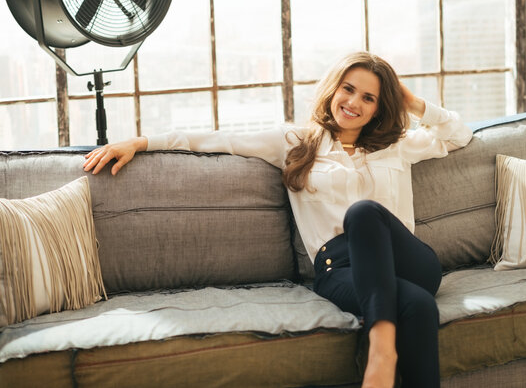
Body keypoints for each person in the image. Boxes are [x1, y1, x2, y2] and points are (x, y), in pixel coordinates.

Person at [83, 51, 473, 388]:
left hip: (408, 260)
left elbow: (459, 135)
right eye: (349, 89)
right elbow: (215, 139)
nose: (354, 102)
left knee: (365, 212)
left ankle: (380, 356)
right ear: (334, 89)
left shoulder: (397, 146)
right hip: (342, 270)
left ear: (380, 107)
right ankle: (386, 347)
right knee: (419, 307)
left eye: (369, 97)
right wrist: (140, 141)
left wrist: (412, 102)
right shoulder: (296, 143)